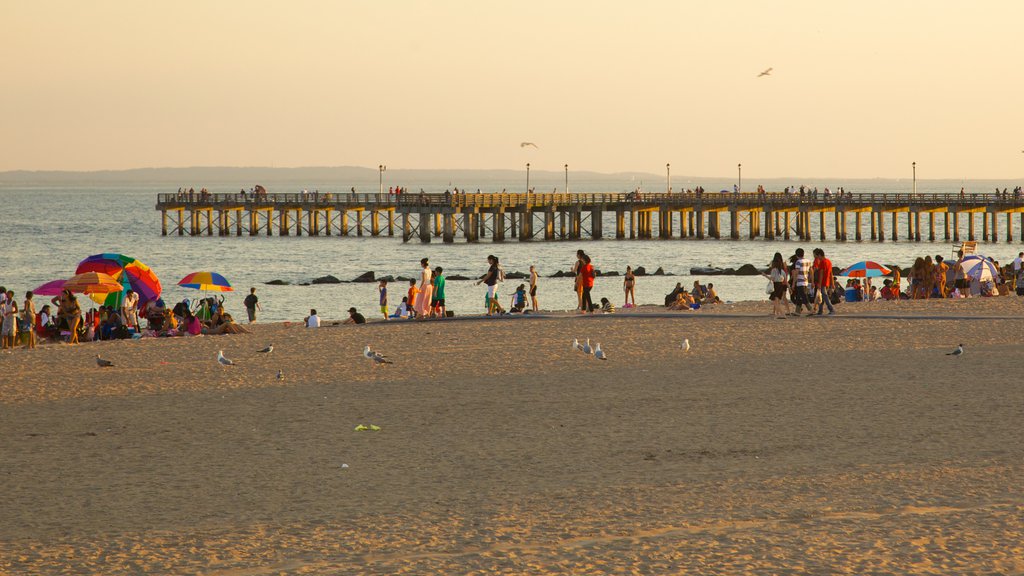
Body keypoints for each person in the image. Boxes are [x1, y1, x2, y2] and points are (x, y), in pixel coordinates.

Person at [762, 252, 790, 319]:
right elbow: (785, 281)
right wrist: (789, 287)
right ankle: (778, 315)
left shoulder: (774, 270)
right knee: (777, 301)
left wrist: (765, 275)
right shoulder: (782, 271)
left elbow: (772, 279)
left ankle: (782, 314)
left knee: (776, 302)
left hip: (776, 286)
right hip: (780, 286)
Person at [812, 248, 835, 315]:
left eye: (817, 256)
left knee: (824, 296)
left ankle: (831, 309)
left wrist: (819, 283)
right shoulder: (829, 261)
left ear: (819, 255)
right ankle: (820, 310)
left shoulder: (823, 262)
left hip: (823, 282)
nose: (817, 258)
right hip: (827, 281)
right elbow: (831, 273)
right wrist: (832, 283)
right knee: (821, 296)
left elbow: (821, 273)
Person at [791, 248, 813, 315]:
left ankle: (811, 309)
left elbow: (796, 273)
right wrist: (810, 279)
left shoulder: (798, 262)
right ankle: (797, 311)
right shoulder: (808, 261)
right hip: (805, 281)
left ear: (796, 255)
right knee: (799, 296)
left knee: (803, 296)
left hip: (800, 282)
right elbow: (811, 271)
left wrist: (793, 283)